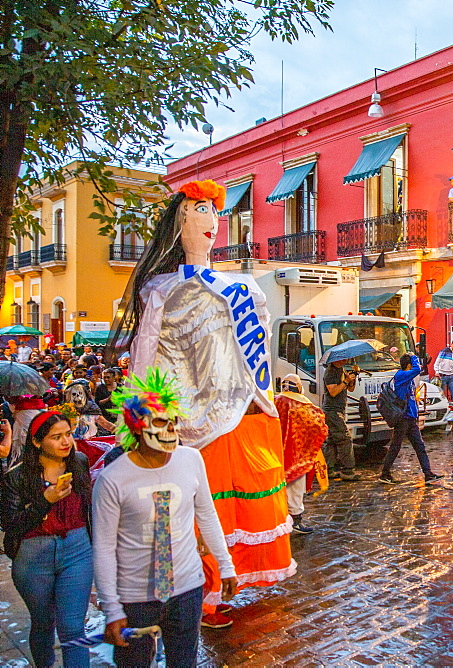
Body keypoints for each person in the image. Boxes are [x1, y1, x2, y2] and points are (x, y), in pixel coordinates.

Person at [110, 179, 295, 626]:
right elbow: (145, 357)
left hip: (242, 417)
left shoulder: (244, 287)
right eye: (199, 212)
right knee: (183, 516)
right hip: (186, 423)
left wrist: (265, 403)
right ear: (180, 222)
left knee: (225, 514)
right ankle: (180, 599)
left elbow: (257, 357)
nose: (211, 222)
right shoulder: (159, 291)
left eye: (214, 213)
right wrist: (137, 423)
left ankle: (216, 589)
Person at [93, 369, 238, 666]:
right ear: (136, 428)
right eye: (160, 422)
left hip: (187, 589)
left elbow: (207, 514)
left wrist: (226, 565)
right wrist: (112, 609)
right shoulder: (112, 479)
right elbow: (104, 548)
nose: (171, 429)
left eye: (174, 421)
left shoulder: (191, 460)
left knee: (184, 661)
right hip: (134, 597)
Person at [0, 412, 90, 668]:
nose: (66, 442)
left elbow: (88, 508)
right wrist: (45, 500)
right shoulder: (16, 475)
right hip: (33, 555)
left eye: (68, 435)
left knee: (73, 627)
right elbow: (11, 524)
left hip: (77, 551)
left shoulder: (80, 462)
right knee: (42, 622)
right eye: (56, 437)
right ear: (37, 442)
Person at [277, 374, 329, 535]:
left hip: (275, 452)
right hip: (297, 454)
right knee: (295, 490)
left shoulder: (274, 401)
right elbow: (320, 425)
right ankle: (295, 521)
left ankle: (279, 518)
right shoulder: (304, 406)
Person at [380, 353, 442, 484]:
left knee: (420, 447)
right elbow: (417, 369)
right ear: (408, 365)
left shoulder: (406, 378)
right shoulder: (401, 375)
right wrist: (414, 356)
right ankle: (385, 473)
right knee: (395, 446)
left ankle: (428, 474)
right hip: (403, 419)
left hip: (410, 418)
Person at [323, 357, 360, 482]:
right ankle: (347, 470)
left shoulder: (342, 370)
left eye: (345, 360)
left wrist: (353, 377)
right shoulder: (330, 372)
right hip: (332, 411)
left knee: (332, 440)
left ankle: (329, 469)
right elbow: (333, 392)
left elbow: (350, 389)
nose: (343, 361)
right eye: (341, 359)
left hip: (338, 409)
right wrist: (346, 381)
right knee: (345, 439)